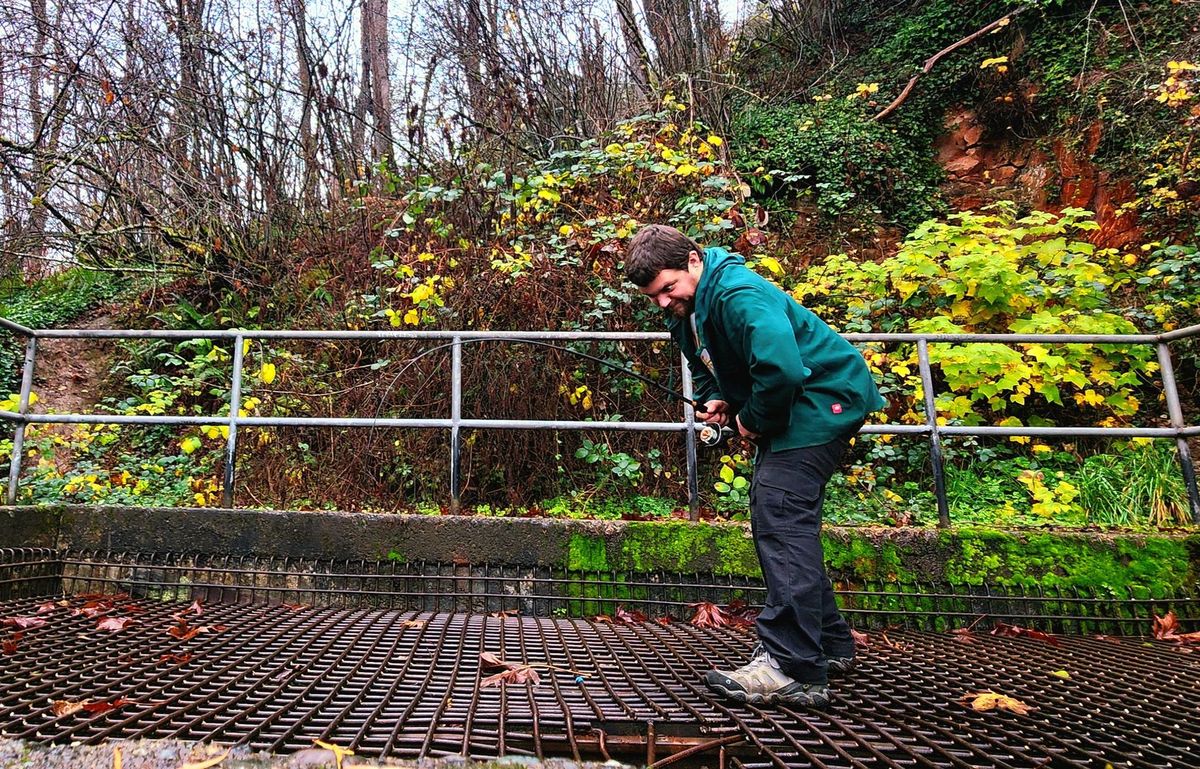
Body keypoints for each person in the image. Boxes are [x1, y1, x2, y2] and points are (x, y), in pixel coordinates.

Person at [624, 224, 886, 709]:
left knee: (781, 515)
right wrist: (718, 398)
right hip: (797, 406)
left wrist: (752, 419)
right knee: (785, 518)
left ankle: (792, 666)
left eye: (667, 288)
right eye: (653, 296)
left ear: (694, 261)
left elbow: (783, 369)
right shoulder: (687, 310)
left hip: (822, 400)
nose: (663, 302)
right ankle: (828, 644)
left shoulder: (740, 293)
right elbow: (704, 366)